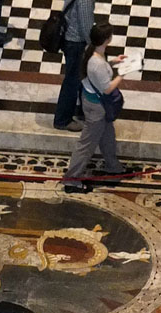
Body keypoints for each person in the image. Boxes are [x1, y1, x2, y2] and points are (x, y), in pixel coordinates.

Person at [63, 23, 126, 195]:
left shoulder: (92, 52)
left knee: (107, 136)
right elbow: (107, 88)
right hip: (97, 108)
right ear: (107, 39)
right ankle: (71, 180)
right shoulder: (96, 62)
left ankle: (113, 167)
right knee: (86, 144)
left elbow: (99, 68)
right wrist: (122, 74)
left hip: (93, 103)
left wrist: (114, 62)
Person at [53, 0, 94, 131]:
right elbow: (86, 25)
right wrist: (92, 46)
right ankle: (63, 120)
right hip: (76, 43)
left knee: (80, 78)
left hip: (69, 39)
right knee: (72, 82)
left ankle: (84, 111)